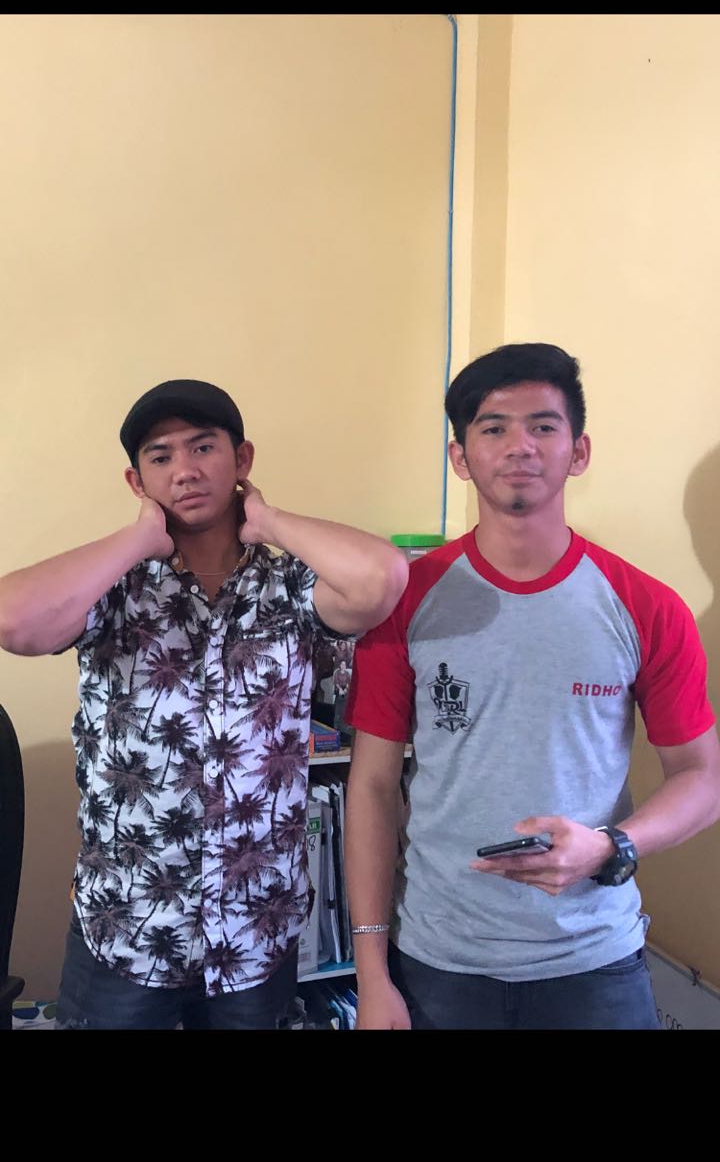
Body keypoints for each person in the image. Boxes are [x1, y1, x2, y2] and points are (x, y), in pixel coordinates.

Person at [0, 378, 408, 1029]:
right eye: (160, 457)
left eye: (202, 448)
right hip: (129, 931)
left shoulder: (290, 586)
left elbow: (382, 578)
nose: (184, 470)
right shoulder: (113, 589)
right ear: (137, 482)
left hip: (255, 933)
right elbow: (14, 620)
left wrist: (268, 521)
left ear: (241, 460)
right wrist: (140, 539)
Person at [344, 342, 720, 1030]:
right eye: (493, 428)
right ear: (460, 458)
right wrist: (371, 973)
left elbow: (703, 778)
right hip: (440, 963)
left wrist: (611, 847)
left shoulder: (646, 606)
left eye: (543, 426)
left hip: (594, 961)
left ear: (579, 451)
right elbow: (371, 786)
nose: (520, 445)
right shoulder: (406, 600)